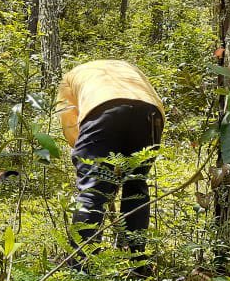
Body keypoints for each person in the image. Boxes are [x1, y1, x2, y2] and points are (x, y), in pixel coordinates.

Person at [57, 60, 164, 269]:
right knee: (136, 186)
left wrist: (93, 170)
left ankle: (81, 267)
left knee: (92, 193)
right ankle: (138, 264)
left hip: (101, 111)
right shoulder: (129, 68)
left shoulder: (69, 79)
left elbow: (70, 125)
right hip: (150, 113)